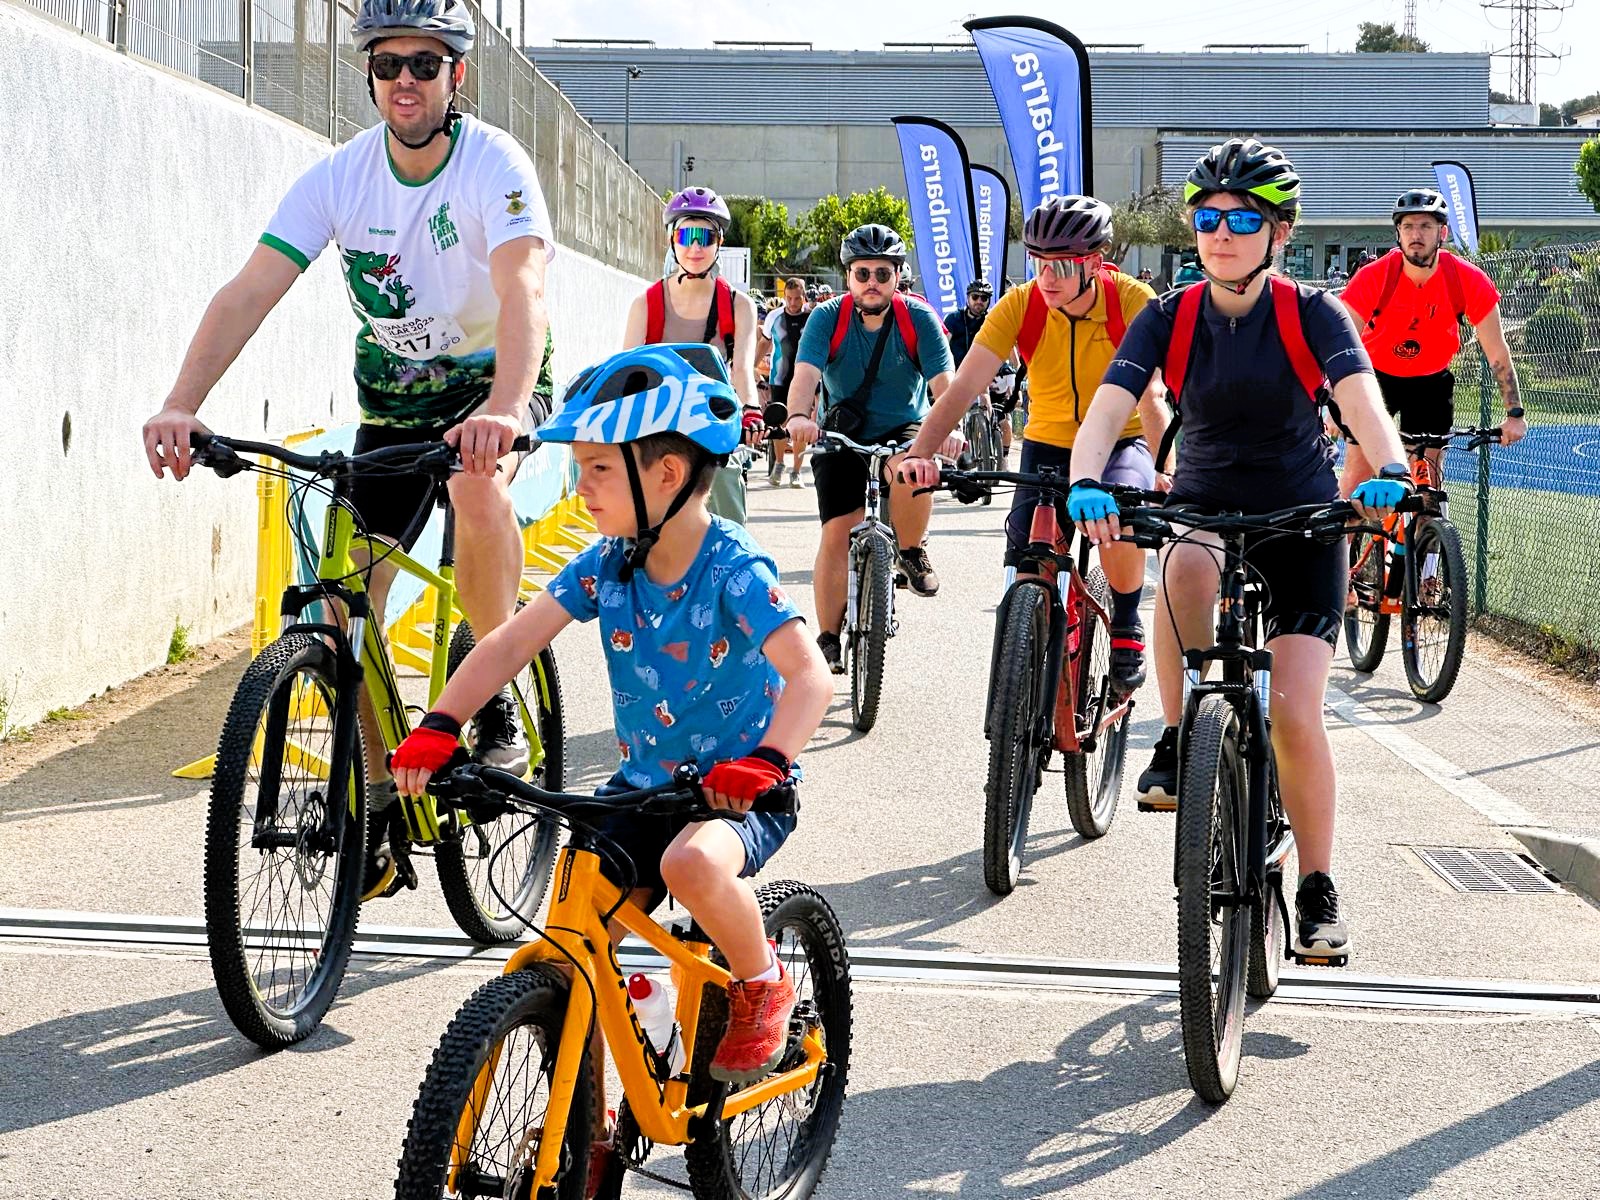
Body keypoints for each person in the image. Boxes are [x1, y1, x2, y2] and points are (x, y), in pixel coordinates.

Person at [140, 0, 556, 899]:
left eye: (424, 62)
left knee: (480, 490)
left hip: (491, 391)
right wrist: (181, 404)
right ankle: (371, 807)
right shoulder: (339, 177)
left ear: (457, 76)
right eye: (386, 64)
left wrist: (509, 406)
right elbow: (251, 290)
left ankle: (486, 693)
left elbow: (523, 285)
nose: (404, 79)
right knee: (340, 607)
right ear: (368, 77)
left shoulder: (495, 164)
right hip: (395, 407)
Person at [388, 344, 833, 1121]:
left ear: (665, 475)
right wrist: (440, 725)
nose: (580, 486)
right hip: (641, 788)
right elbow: (508, 642)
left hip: (736, 798)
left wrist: (766, 761)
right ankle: (583, 1127)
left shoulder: (733, 567)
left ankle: (763, 984)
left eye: (598, 469)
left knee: (693, 865)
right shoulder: (607, 565)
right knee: (576, 929)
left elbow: (810, 676)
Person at [1066, 138, 1412, 962]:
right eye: (1208, 218)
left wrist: (1390, 469)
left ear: (1279, 233)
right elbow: (1109, 410)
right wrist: (1087, 479)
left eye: (1242, 220)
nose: (1220, 233)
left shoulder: (1312, 313)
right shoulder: (1170, 314)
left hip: (1302, 519)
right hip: (1205, 504)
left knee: (1295, 710)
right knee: (1182, 564)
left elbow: (1363, 404)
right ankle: (1183, 733)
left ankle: (1318, 884)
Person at [898, 195, 1169, 690]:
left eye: (1061, 265)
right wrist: (920, 452)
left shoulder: (1131, 301)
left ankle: (1127, 622)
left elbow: (1152, 394)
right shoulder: (1021, 304)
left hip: (1121, 441)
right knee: (1026, 557)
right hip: (1046, 445)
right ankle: (1021, 677)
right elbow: (963, 386)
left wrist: (1168, 465)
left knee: (1121, 521)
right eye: (1038, 263)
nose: (1047, 277)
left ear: (1094, 263)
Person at [781, 224, 956, 670]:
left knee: (912, 469)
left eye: (882, 272)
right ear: (848, 277)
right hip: (840, 434)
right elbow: (805, 377)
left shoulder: (919, 319)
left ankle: (911, 551)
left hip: (904, 429)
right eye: (863, 274)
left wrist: (948, 430)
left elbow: (945, 387)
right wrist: (799, 417)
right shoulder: (826, 318)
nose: (872, 282)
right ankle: (827, 636)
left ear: (898, 276)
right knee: (839, 531)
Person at [1337, 187, 1527, 502]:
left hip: (1431, 383)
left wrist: (1515, 412)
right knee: (1358, 478)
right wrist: (1334, 400)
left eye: (1426, 226)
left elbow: (1496, 351)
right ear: (1397, 232)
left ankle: (1423, 548)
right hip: (1375, 379)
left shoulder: (1469, 280)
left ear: (1443, 232)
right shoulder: (1374, 278)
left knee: (1428, 485)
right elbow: (1344, 344)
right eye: (1408, 226)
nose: (1416, 234)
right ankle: (1341, 551)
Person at [759, 277, 815, 487]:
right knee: (778, 423)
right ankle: (780, 463)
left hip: (804, 379)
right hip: (779, 378)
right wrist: (752, 367)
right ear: (784, 297)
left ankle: (796, 471)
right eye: (789, 298)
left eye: (797, 299)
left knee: (799, 423)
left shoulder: (812, 317)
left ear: (804, 297)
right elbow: (764, 344)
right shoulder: (774, 316)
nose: (793, 303)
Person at [943, 280, 993, 367]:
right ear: (968, 298)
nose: (979, 301)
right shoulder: (953, 318)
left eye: (984, 298)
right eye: (975, 297)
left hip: (985, 374)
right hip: (957, 373)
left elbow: (1008, 347)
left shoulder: (992, 321)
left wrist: (1017, 367)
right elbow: (942, 347)